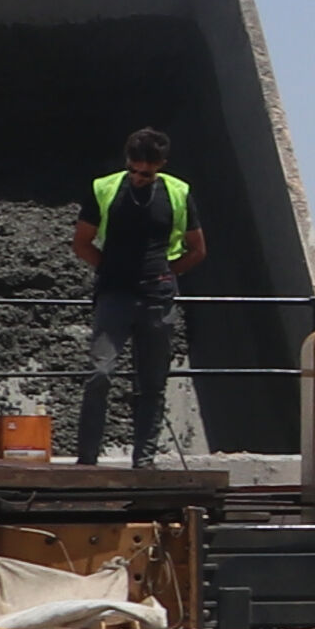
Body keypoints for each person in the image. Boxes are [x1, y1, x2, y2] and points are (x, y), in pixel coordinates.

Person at [67, 125, 206, 464]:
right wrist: (108, 270)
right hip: (115, 295)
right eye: (135, 170)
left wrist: (165, 274)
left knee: (152, 383)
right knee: (100, 373)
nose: (140, 177)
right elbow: (82, 242)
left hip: (157, 298)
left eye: (147, 172)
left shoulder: (177, 193)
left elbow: (197, 248)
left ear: (161, 165)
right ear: (127, 162)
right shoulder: (105, 189)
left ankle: (143, 461)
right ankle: (87, 460)